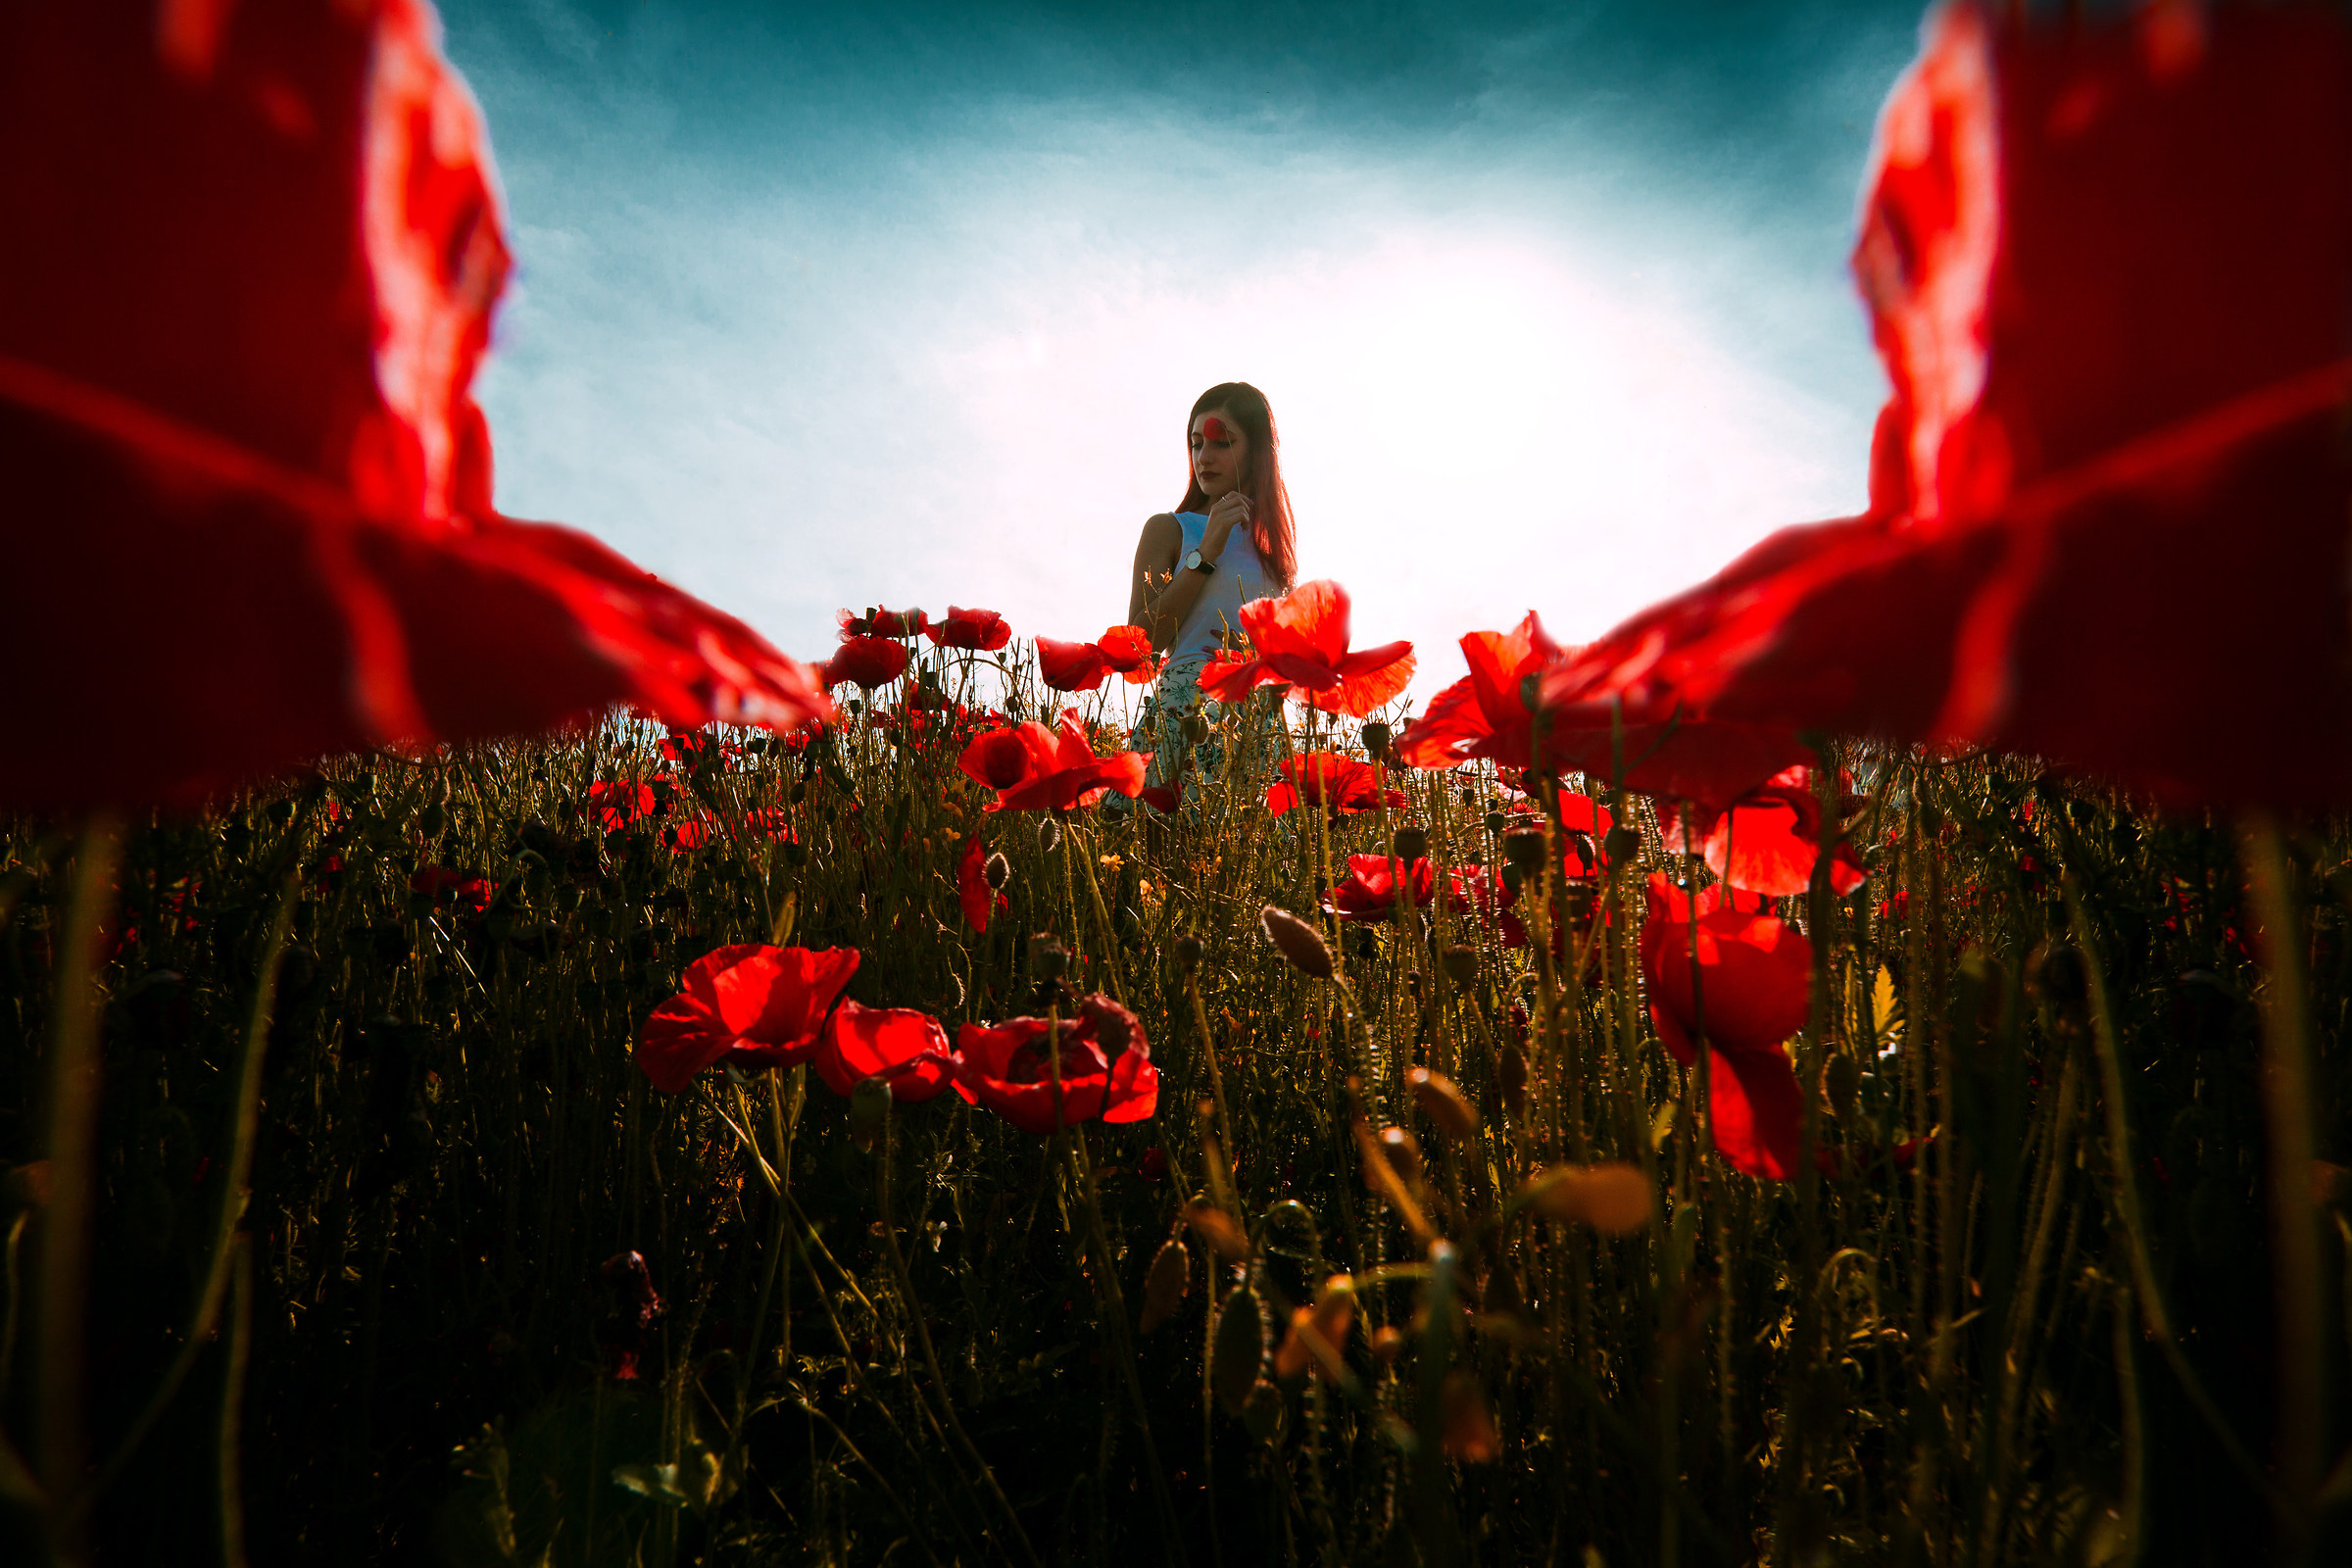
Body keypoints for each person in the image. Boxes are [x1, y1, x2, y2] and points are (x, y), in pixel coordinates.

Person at [1118, 382, 1297, 811]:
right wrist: (1205, 553)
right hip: (1185, 708)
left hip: (1257, 722)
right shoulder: (1169, 529)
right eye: (1197, 443)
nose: (1205, 456)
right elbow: (1141, 641)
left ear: (1256, 451)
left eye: (1222, 442)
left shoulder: (1274, 551)